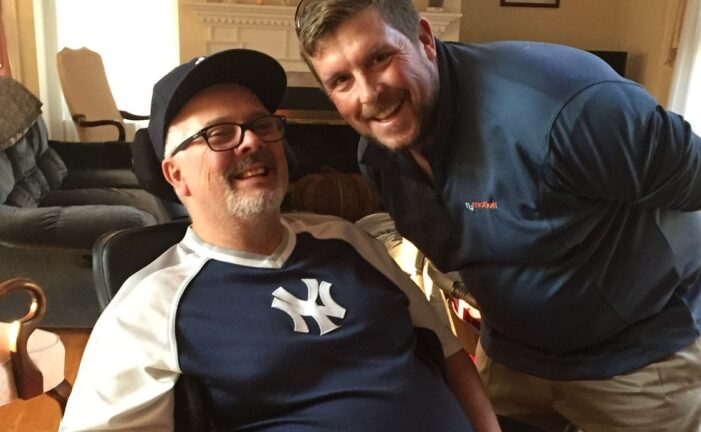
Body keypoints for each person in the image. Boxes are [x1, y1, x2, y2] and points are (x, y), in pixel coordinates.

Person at [295, 1, 701, 431]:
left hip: (639, 361)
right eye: (341, 81)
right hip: (514, 356)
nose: (369, 94)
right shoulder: (378, 157)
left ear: (425, 39)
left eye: (379, 58)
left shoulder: (568, 109)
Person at [59, 48, 500, 432]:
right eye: (219, 133)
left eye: (262, 124)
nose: (252, 141)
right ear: (175, 174)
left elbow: (449, 355)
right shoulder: (150, 307)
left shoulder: (349, 240)